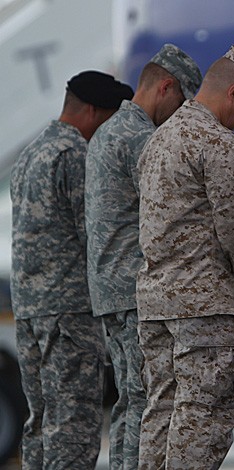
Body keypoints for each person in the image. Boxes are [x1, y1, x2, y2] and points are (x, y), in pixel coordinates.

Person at [136, 44, 234, 469]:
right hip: (204, 306)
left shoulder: (158, 139)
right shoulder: (216, 143)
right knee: (204, 419)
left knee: (162, 412)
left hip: (156, 303)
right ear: (233, 91)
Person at [85, 43, 201, 470]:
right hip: (135, 290)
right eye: (181, 100)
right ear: (165, 87)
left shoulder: (106, 131)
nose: (181, 112)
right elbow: (169, 209)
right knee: (149, 401)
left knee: (131, 400)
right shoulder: (140, 138)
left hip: (109, 289)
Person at [10, 71, 133, 468]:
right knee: (74, 426)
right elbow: (94, 234)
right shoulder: (75, 155)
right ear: (94, 111)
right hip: (69, 313)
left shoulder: (31, 153)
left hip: (30, 311)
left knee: (41, 422)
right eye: (109, 118)